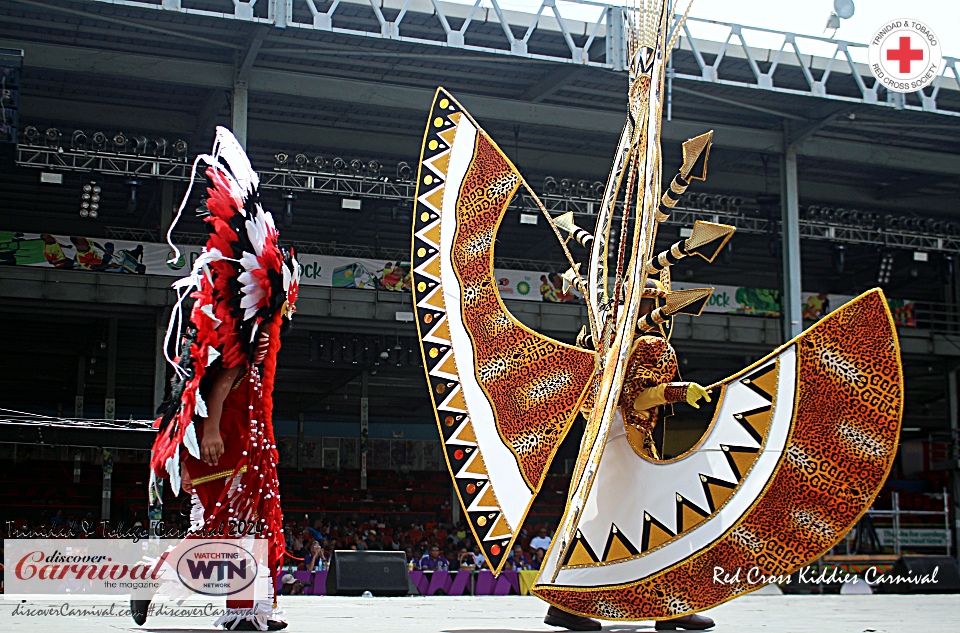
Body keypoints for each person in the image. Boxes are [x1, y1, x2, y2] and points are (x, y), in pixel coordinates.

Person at [133, 128, 301, 632]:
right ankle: (156, 578)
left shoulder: (267, 318)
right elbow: (229, 368)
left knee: (248, 519)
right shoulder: (259, 319)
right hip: (224, 432)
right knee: (230, 522)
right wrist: (209, 429)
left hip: (247, 429)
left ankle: (251, 612)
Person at [544, 280, 714, 632]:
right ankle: (573, 602)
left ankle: (669, 605)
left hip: (603, 436)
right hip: (627, 440)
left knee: (639, 519)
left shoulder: (597, 337)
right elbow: (639, 397)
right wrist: (681, 392)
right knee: (652, 517)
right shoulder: (648, 344)